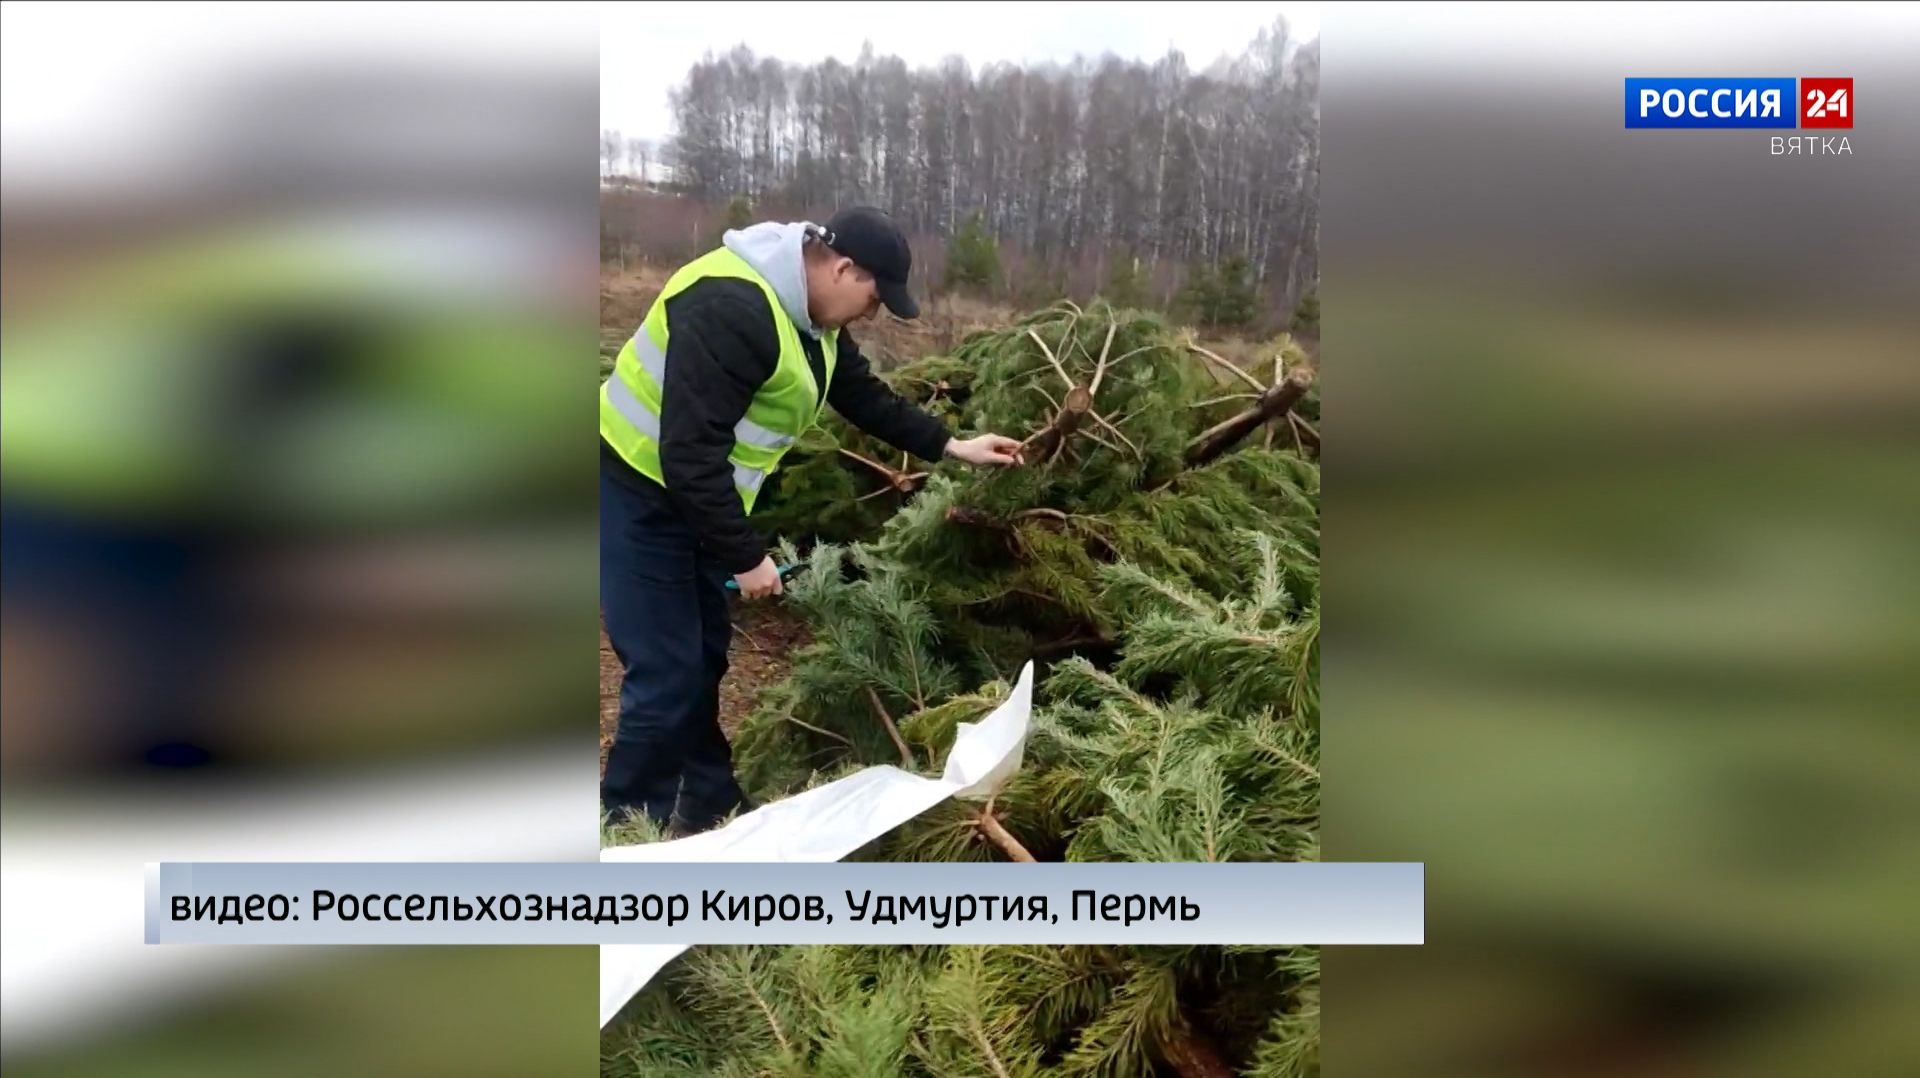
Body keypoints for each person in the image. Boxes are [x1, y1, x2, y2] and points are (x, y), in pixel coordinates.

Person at [599, 205, 1024, 834]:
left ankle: (708, 801)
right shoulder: (731, 307)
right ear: (843, 267)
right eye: (874, 299)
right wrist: (745, 557)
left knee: (704, 657)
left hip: (695, 499)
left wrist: (953, 445)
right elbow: (687, 454)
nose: (873, 315)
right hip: (638, 494)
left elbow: (862, 394)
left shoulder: (808, 318)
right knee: (666, 673)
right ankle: (624, 834)